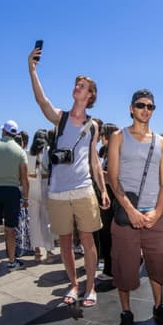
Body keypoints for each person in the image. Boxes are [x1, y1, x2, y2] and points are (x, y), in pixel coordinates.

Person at [28, 47, 110, 307]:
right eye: (76, 84)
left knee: (87, 241)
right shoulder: (61, 118)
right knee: (64, 242)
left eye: (82, 85)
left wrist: (103, 189)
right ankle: (74, 285)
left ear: (90, 94)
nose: (77, 86)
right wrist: (31, 69)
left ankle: (90, 287)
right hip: (58, 191)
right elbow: (42, 102)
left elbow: (94, 160)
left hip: (84, 188)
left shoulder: (93, 125)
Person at [109, 89, 163, 325]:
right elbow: (113, 179)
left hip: (154, 216)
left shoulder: (162, 142)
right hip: (127, 215)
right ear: (131, 108)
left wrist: (157, 212)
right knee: (124, 266)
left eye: (150, 106)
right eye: (140, 105)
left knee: (159, 265)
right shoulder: (119, 137)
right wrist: (130, 210)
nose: (145, 110)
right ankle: (126, 312)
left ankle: (159, 307)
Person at [0, 120, 29, 272]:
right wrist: (26, 198)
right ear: (15, 134)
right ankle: (11, 261)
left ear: (3, 131)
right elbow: (24, 178)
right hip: (12, 191)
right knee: (10, 229)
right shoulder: (20, 151)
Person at [95, 122, 119, 280]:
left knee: (109, 236)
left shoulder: (113, 153)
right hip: (109, 197)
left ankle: (110, 271)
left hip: (111, 198)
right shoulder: (109, 152)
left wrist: (98, 171)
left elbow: (112, 177)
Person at [27, 129, 55, 263]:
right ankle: (49, 250)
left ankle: (37, 250)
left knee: (34, 220)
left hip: (32, 187)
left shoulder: (29, 153)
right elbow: (49, 170)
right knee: (46, 220)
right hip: (44, 186)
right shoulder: (48, 151)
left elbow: (28, 172)